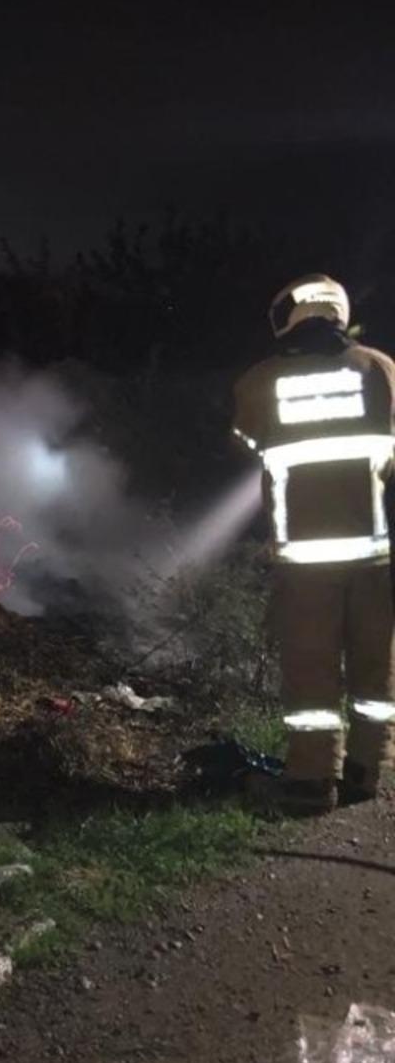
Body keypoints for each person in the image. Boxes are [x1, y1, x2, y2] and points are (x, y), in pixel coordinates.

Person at [233, 274, 395, 814]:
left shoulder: (261, 379)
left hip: (304, 557)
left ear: (288, 315)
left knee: (310, 670)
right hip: (372, 552)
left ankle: (309, 782)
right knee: (375, 668)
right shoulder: (379, 369)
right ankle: (366, 772)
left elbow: (251, 440)